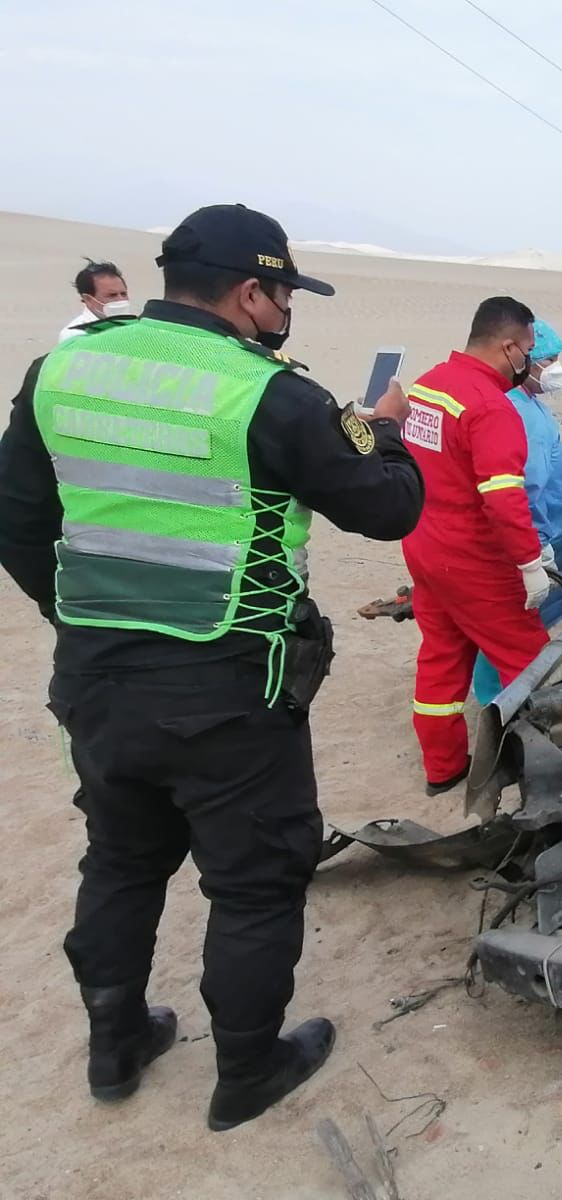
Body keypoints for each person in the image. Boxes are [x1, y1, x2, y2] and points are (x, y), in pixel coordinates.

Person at [0, 203, 424, 1130]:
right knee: (254, 879)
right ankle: (247, 1068)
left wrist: (83, 619)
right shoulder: (271, 394)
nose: (286, 312)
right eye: (284, 294)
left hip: (97, 679)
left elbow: (19, 521)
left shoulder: (61, 367)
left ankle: (114, 1044)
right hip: (228, 688)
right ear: (250, 294)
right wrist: (381, 431)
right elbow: (389, 508)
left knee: (120, 859)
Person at [402, 296, 552, 792]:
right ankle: (546, 765)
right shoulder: (490, 407)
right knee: (533, 663)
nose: (529, 360)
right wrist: (529, 562)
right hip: (474, 559)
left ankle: (443, 768)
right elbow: (503, 497)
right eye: (528, 350)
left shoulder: (428, 385)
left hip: (424, 547)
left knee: (441, 659)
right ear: (509, 347)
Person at [469, 317, 562, 705]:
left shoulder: (532, 406)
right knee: (511, 634)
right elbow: (524, 490)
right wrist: (535, 549)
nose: (556, 369)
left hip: (553, 531)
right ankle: (497, 702)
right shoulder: (516, 411)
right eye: (549, 360)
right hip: (535, 541)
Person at [59, 259, 134, 342]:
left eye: (123, 294)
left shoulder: (135, 325)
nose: (121, 300)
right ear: (88, 299)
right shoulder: (74, 335)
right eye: (112, 295)